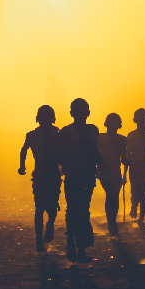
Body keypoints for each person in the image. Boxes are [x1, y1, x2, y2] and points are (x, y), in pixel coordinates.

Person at [59, 97, 101, 261]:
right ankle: (80, 247)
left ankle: (73, 244)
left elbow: (60, 154)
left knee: (74, 209)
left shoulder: (66, 131)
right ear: (88, 113)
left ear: (71, 113)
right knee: (83, 209)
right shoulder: (92, 130)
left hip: (76, 175)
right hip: (84, 175)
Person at [18, 105, 63, 252]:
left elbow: (23, 151)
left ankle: (41, 237)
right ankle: (46, 230)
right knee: (49, 205)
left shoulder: (32, 135)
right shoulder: (57, 133)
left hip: (42, 175)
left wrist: (22, 167)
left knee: (41, 207)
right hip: (51, 175)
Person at [96, 112, 127, 237]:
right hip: (110, 170)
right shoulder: (122, 139)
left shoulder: (100, 138)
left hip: (108, 170)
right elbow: (124, 160)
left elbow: (124, 159)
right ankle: (111, 222)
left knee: (112, 196)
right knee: (112, 195)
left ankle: (111, 222)